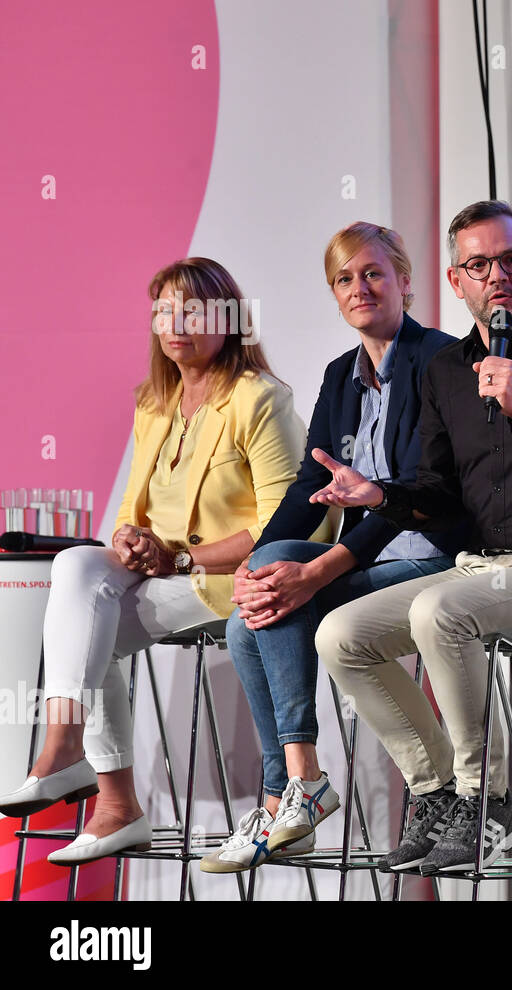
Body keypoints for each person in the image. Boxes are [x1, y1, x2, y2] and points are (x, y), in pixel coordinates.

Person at [307, 200, 512, 873]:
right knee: (341, 635)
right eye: (478, 264)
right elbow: (440, 493)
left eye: (510, 260)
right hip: (479, 565)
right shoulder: (446, 370)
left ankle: (491, 803)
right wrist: (379, 495)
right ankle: (438, 793)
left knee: (438, 612)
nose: (497, 275)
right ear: (456, 282)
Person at [0, 259, 305, 865]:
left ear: (231, 320)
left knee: (92, 617)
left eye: (192, 309)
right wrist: (128, 541)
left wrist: (185, 556)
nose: (175, 323)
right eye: (164, 310)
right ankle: (82, 772)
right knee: (78, 568)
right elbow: (130, 509)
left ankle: (95, 785)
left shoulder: (260, 399)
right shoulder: (155, 402)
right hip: (160, 578)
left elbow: (295, 519)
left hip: (228, 583)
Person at [199, 223, 459, 873]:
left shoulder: (441, 361)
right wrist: (258, 561)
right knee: (248, 613)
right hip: (371, 556)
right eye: (344, 278)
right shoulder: (342, 375)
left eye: (373, 272)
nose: (359, 287)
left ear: (405, 279)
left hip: (433, 551)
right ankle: (294, 787)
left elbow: (413, 494)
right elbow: (309, 485)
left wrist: (318, 572)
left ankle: (291, 788)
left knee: (268, 610)